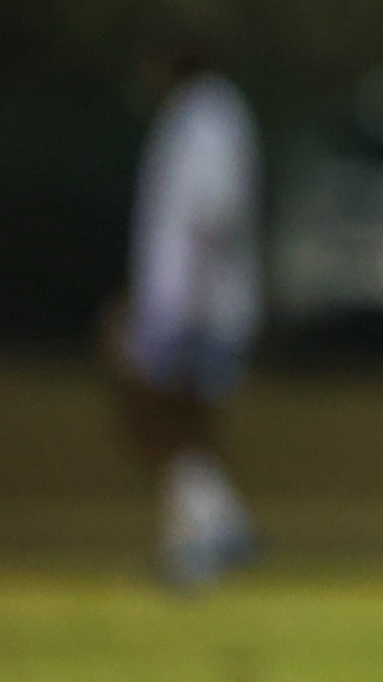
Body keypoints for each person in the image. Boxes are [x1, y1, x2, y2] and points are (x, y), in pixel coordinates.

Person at [105, 47, 263, 588]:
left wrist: (181, 302)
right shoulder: (202, 115)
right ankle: (202, 531)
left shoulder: (206, 117)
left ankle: (210, 530)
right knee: (181, 424)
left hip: (194, 301)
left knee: (169, 416)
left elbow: (211, 211)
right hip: (190, 298)